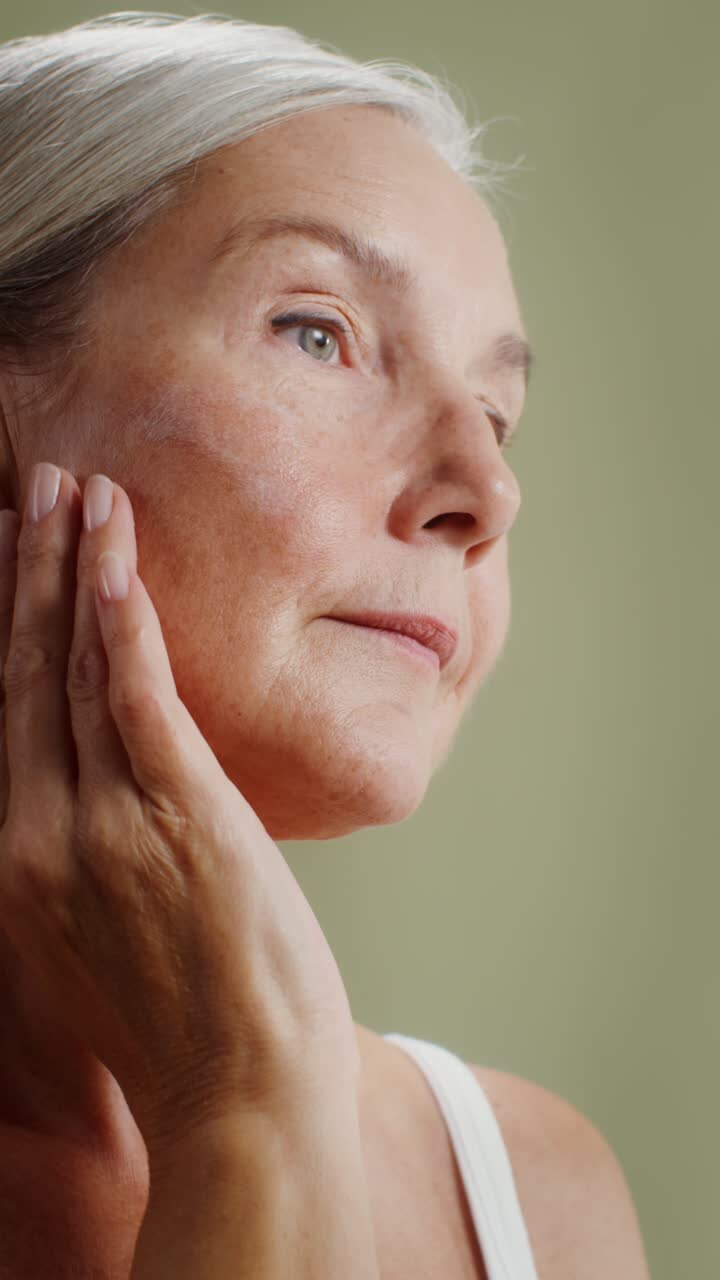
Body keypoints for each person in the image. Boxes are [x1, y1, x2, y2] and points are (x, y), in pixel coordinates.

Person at [0, 12, 651, 1279]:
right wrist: (242, 1110)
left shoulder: (529, 1191)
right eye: (320, 331)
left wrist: (242, 1094)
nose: (485, 490)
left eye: (499, 414)